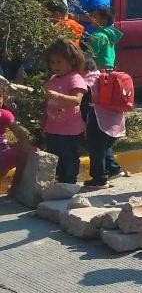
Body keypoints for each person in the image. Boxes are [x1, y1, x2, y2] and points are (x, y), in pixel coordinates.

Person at [42, 39, 88, 184]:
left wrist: (58, 96)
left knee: (69, 158)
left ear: (72, 61)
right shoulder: (53, 79)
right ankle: (59, 183)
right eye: (52, 62)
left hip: (70, 131)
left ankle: (69, 184)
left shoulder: (75, 79)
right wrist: (43, 120)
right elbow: (47, 102)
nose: (55, 66)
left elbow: (76, 100)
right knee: (55, 159)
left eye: (59, 62)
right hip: (53, 129)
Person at [82, 58, 127, 188]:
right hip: (116, 119)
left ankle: (99, 179)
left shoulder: (87, 82)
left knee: (96, 150)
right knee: (105, 147)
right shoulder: (104, 77)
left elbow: (83, 102)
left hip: (99, 120)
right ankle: (114, 169)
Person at [0, 86, 34, 192]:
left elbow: (20, 134)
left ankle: (16, 186)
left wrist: (25, 146)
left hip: (2, 153)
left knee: (25, 148)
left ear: (3, 99)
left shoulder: (4, 115)